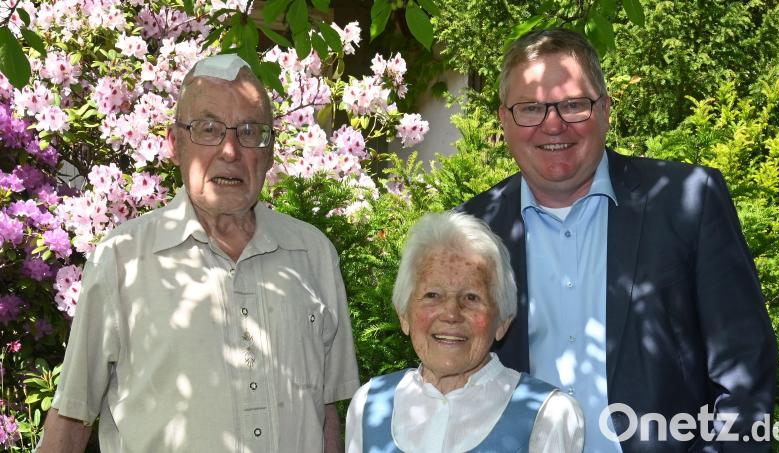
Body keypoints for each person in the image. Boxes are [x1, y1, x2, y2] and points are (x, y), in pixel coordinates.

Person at [459, 28, 777, 452]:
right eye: (530, 108)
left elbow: (745, 366)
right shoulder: (471, 230)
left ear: (605, 110)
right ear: (504, 119)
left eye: (573, 105)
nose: (553, 124)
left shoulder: (688, 202)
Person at [38, 54, 359, 453]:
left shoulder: (313, 255)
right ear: (175, 144)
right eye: (208, 129)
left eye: (250, 131)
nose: (230, 150)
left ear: (270, 151)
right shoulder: (122, 260)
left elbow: (325, 414)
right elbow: (73, 416)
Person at [345, 211, 585, 453]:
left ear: (502, 322)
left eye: (471, 297)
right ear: (404, 316)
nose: (451, 314)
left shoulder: (549, 415)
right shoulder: (367, 404)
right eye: (432, 295)